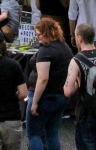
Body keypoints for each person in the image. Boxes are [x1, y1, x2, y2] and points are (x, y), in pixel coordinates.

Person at [27, 18, 70, 150]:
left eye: (39, 34)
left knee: (34, 134)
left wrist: (35, 102)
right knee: (52, 133)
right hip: (60, 96)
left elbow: (43, 79)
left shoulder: (46, 51)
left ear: (48, 32)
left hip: (45, 97)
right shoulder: (64, 47)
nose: (37, 38)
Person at [65, 23, 96, 150]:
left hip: (87, 111)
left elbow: (67, 91)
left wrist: (78, 84)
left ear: (79, 39)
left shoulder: (76, 60)